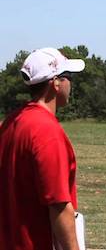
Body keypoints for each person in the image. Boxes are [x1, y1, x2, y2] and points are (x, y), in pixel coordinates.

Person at [0, 48, 85, 250]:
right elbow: (58, 204)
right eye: (68, 77)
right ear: (55, 83)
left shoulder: (12, 122)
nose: (70, 83)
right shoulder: (47, 131)